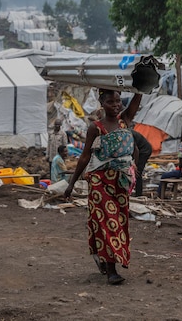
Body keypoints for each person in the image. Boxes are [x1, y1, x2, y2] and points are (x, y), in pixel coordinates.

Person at [64, 89, 142, 285]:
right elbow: (85, 156)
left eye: (118, 101)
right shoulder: (95, 128)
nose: (115, 105)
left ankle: (103, 259)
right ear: (102, 104)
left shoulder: (125, 121)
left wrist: (139, 86)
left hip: (120, 181)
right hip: (100, 181)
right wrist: (71, 183)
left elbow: (137, 97)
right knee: (108, 222)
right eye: (110, 102)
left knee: (119, 221)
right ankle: (111, 271)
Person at [131, 129, 152, 197]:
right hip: (139, 150)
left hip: (144, 151)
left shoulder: (128, 135)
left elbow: (136, 150)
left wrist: (135, 164)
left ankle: (138, 194)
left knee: (137, 172)